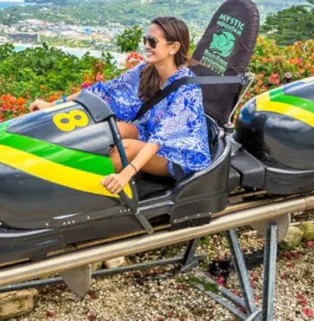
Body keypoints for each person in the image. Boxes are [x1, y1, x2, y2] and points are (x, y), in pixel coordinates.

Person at [29, 16, 210, 195]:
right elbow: (104, 90)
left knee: (125, 149)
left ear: (174, 47)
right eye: (146, 40)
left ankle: (75, 189)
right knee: (103, 130)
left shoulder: (187, 88)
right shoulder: (146, 70)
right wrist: (53, 105)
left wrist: (125, 174)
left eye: (153, 42)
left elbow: (161, 138)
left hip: (178, 152)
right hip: (149, 130)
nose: (146, 46)